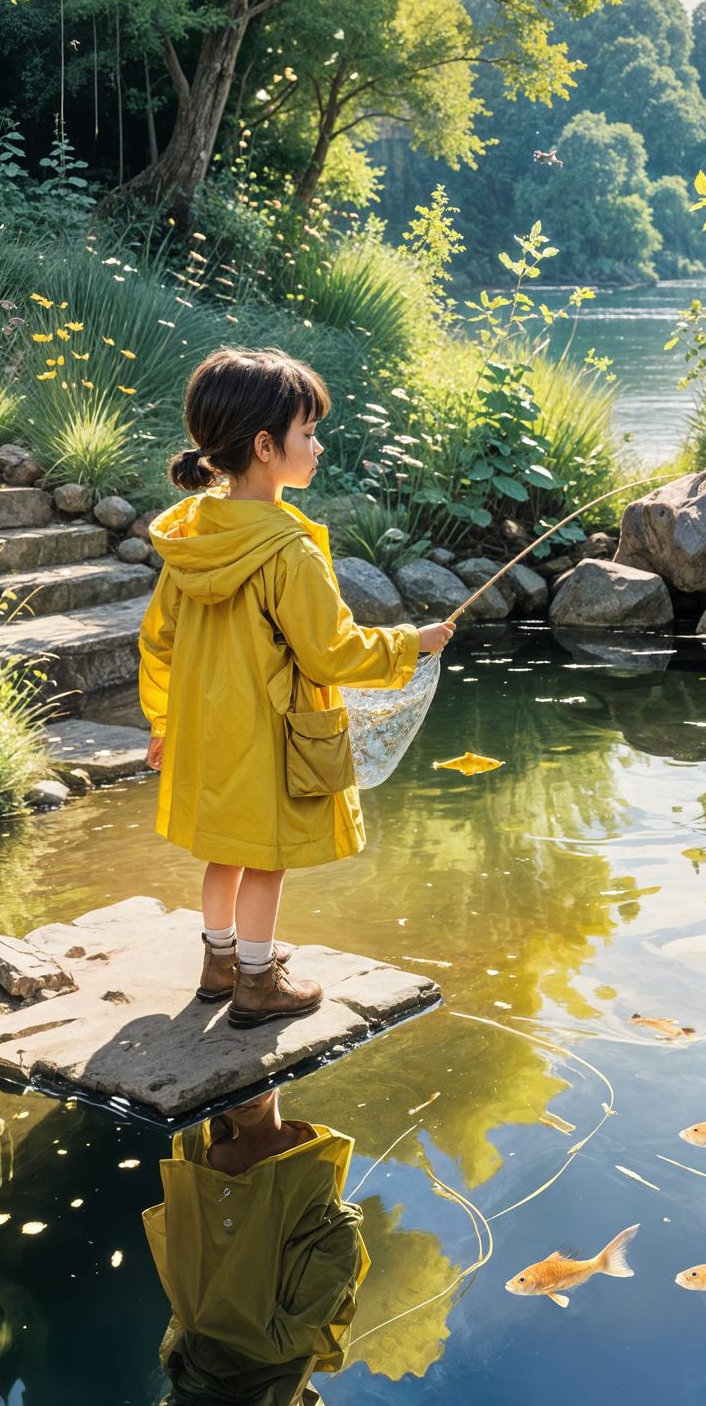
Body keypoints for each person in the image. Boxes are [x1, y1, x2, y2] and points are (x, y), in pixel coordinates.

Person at [138, 347, 455, 1028]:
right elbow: (332, 652)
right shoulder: (289, 549)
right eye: (307, 433)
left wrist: (163, 723)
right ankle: (257, 982)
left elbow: (158, 639)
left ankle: (219, 963)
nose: (318, 447)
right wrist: (411, 642)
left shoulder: (194, 533)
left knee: (223, 852)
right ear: (264, 446)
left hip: (206, 732)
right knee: (267, 859)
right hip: (268, 736)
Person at [142, 1088, 368, 1406]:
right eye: (228, 1083)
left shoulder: (313, 1164)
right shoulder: (199, 1157)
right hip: (200, 1361)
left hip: (271, 1373)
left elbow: (296, 1329)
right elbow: (188, 1262)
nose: (242, 1096)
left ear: (280, 1079)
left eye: (255, 1081)